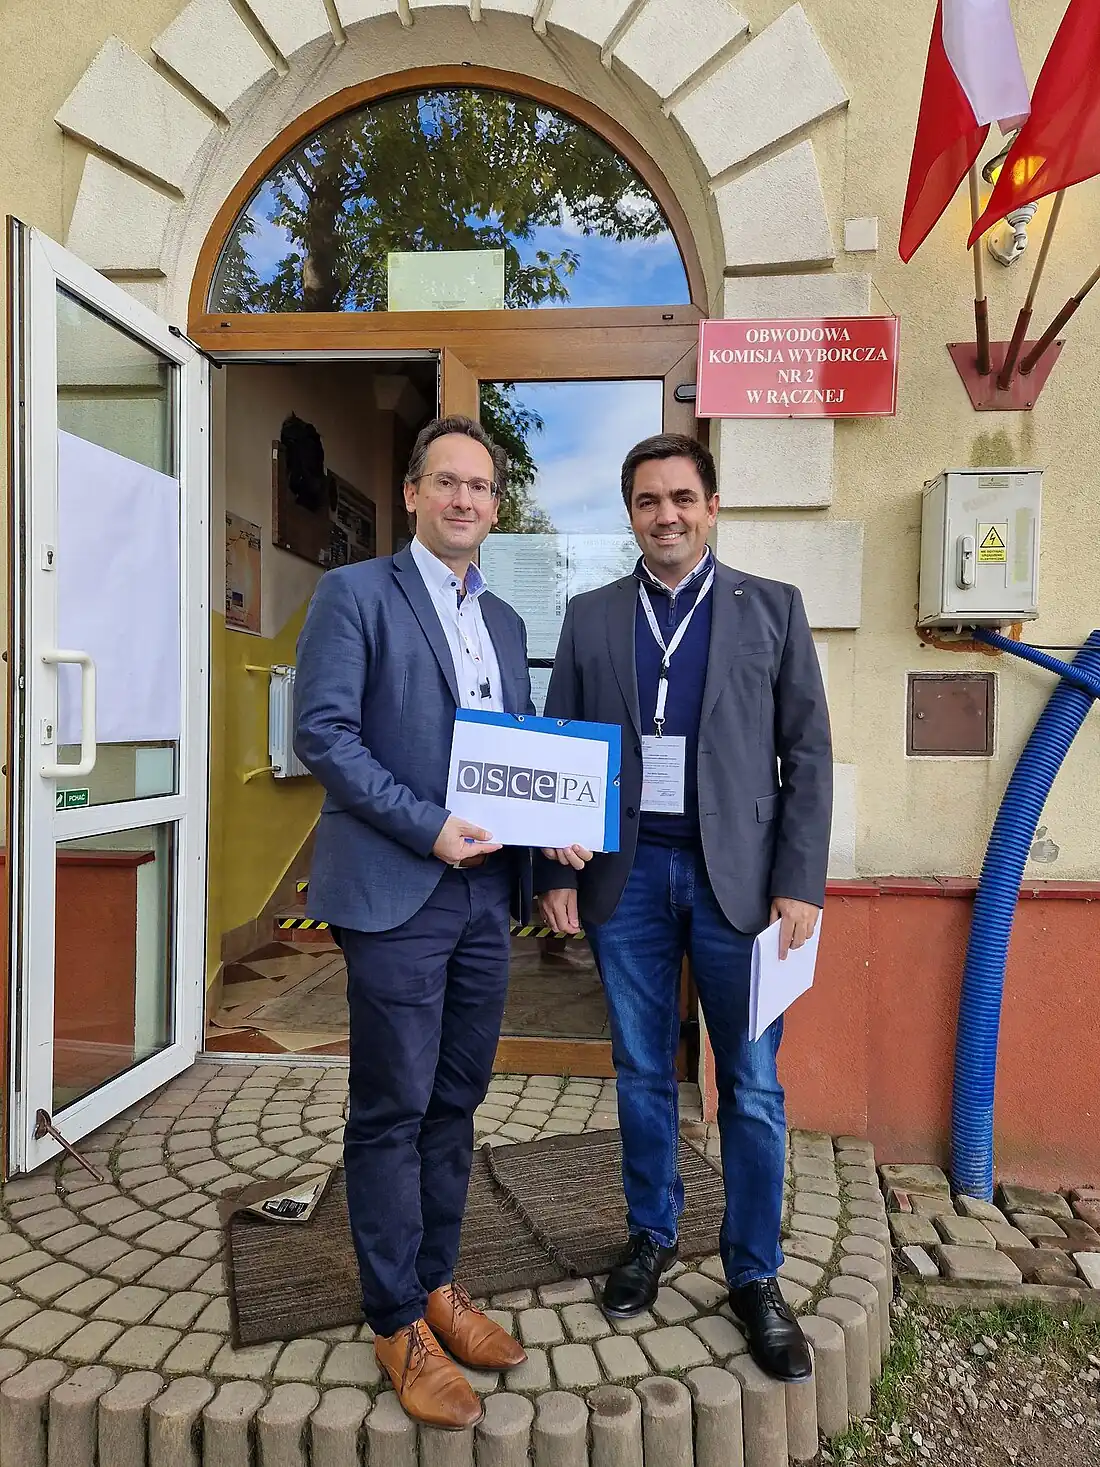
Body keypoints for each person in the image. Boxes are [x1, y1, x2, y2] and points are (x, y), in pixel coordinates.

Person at [536, 433, 832, 1383]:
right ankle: (650, 1234)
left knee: (749, 1082)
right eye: (648, 500)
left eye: (682, 497)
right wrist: (556, 871)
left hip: (739, 885)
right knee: (639, 1068)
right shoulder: (589, 618)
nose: (666, 514)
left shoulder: (771, 610)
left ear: (712, 506)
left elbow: (809, 756)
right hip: (627, 881)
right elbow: (564, 752)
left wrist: (801, 878)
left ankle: (754, 1273)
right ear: (629, 512)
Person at [294, 416, 535, 1430]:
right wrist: (427, 826)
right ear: (409, 494)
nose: (465, 501)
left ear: (494, 506)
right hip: (400, 888)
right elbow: (325, 735)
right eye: (448, 483)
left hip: (486, 897)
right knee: (391, 1107)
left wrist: (552, 828)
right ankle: (395, 1318)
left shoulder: (509, 622)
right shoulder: (355, 595)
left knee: (456, 1097)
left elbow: (517, 749)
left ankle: (437, 1282)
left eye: (480, 488)